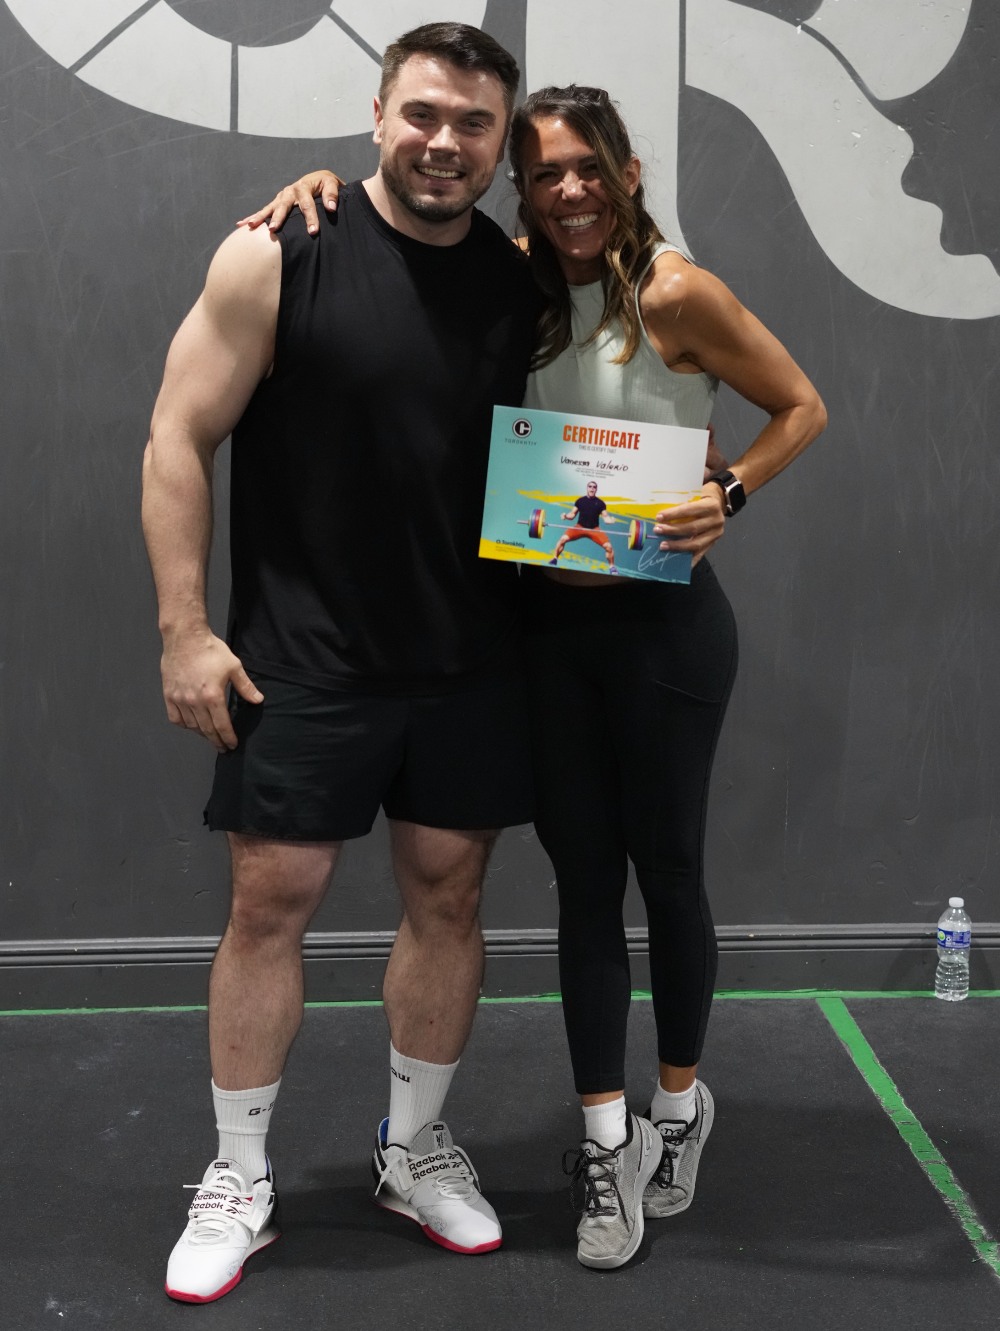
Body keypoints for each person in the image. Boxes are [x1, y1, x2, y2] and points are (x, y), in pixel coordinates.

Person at [245, 80, 825, 1273]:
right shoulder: (516, 282)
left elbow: (800, 404)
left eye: (586, 167)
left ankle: (676, 1112)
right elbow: (398, 227)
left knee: (665, 873)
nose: (566, 189)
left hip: (665, 636)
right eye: (543, 169)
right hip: (542, 636)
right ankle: (602, 1148)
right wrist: (308, 196)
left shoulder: (674, 290)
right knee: (577, 886)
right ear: (522, 182)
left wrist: (729, 491)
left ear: (624, 171)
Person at [141, 23, 543, 1304]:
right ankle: (241, 1174)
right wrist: (185, 630)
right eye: (422, 114)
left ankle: (413, 1148)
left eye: (473, 125)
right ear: (376, 115)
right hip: (302, 659)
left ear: (500, 142)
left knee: (450, 901)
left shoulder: (523, 283)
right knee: (268, 907)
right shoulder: (277, 251)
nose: (443, 142)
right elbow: (174, 439)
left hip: (470, 657)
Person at [549, 479, 619, 571]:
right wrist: (565, 516)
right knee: (563, 539)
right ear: (587, 488)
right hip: (579, 527)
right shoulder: (580, 501)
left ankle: (612, 567)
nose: (592, 489)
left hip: (594, 529)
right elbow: (572, 514)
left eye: (594, 487)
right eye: (590, 486)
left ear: (596, 489)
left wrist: (611, 520)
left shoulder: (601, 503)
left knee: (608, 547)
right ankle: (555, 558)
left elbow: (606, 518)